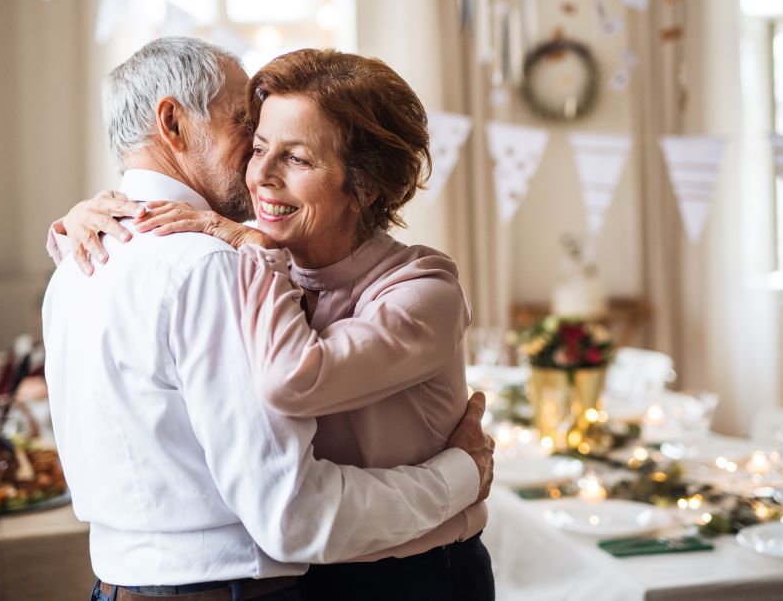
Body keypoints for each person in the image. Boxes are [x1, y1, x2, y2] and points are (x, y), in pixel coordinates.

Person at [43, 37, 494, 601]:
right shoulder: (201, 262)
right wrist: (461, 474)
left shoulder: (95, 266)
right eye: (251, 137)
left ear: (365, 184)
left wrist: (250, 245)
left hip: (416, 576)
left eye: (297, 156)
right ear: (174, 124)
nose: (258, 173)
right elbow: (291, 512)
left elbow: (292, 388)